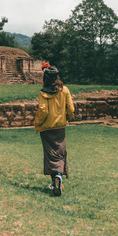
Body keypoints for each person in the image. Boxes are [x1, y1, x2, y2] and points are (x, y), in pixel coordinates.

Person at [34, 64, 74, 196]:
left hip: (47, 128)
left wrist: (38, 123)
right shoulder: (65, 90)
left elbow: (43, 111)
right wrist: (67, 117)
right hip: (60, 127)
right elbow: (71, 109)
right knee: (60, 152)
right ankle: (58, 177)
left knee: (51, 154)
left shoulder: (43, 93)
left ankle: (55, 179)